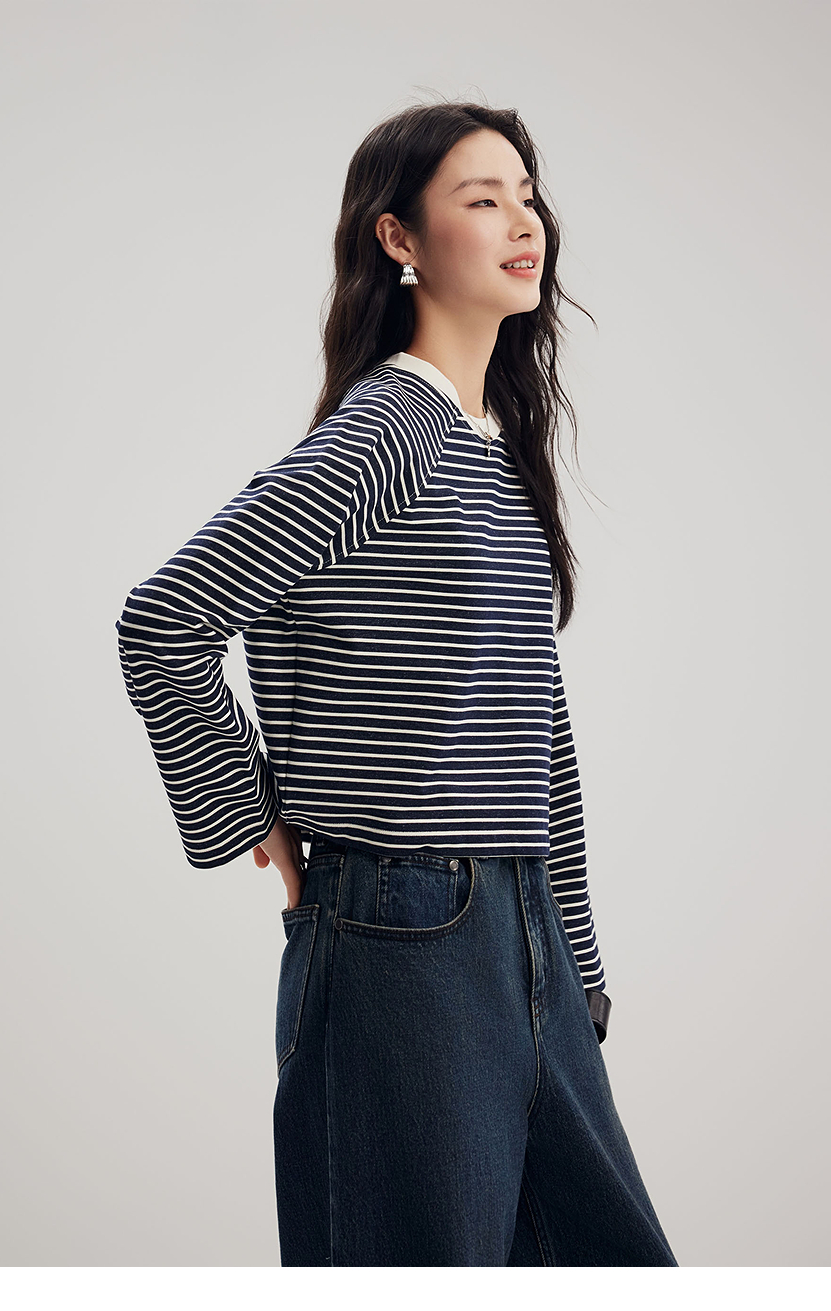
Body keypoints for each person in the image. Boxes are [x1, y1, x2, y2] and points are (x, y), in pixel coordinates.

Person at [115, 99, 678, 1267]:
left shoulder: (489, 450)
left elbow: (535, 733)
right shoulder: (389, 432)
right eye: (482, 199)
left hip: (519, 933)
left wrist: (574, 961)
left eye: (526, 195)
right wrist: (250, 815)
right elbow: (164, 620)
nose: (522, 221)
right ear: (399, 239)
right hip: (401, 935)